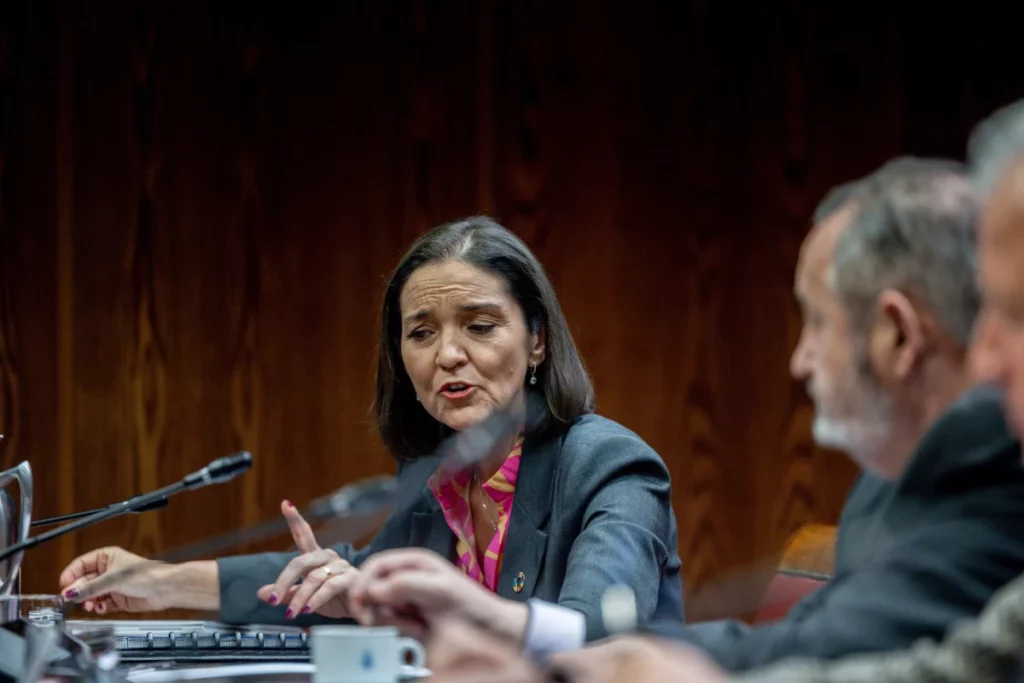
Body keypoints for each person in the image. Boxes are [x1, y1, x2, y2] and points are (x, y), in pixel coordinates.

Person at [418, 154, 1024, 681]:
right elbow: (820, 637)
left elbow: (832, 649)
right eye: (418, 332)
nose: (799, 360)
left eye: (815, 321)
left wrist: (577, 659)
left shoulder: (987, 469)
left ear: (898, 335)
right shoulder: (893, 479)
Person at [57, 216, 684, 659]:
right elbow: (344, 582)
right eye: (421, 333)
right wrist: (158, 581)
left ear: (537, 341)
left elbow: (598, 634)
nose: (449, 355)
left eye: (481, 325)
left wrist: (436, 606)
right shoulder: (442, 476)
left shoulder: (610, 465)